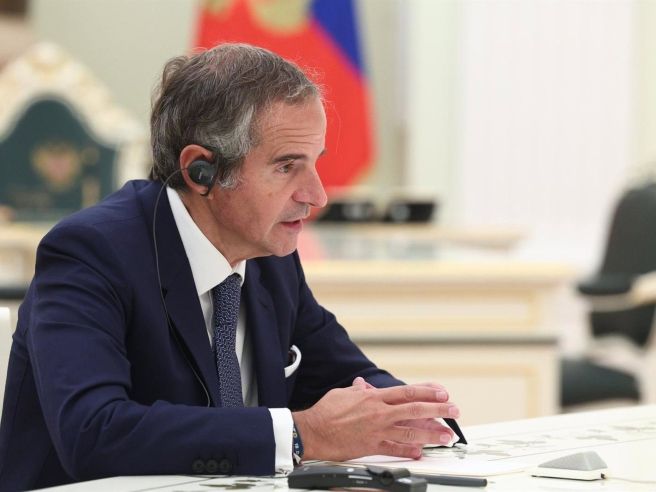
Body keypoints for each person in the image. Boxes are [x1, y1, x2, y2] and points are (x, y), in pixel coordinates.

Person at [0, 43, 462, 491]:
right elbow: (93, 432)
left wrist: (415, 417)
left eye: (315, 164)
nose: (317, 196)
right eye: (287, 167)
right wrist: (301, 435)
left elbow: (346, 377)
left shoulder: (270, 257)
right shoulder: (91, 253)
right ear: (201, 170)